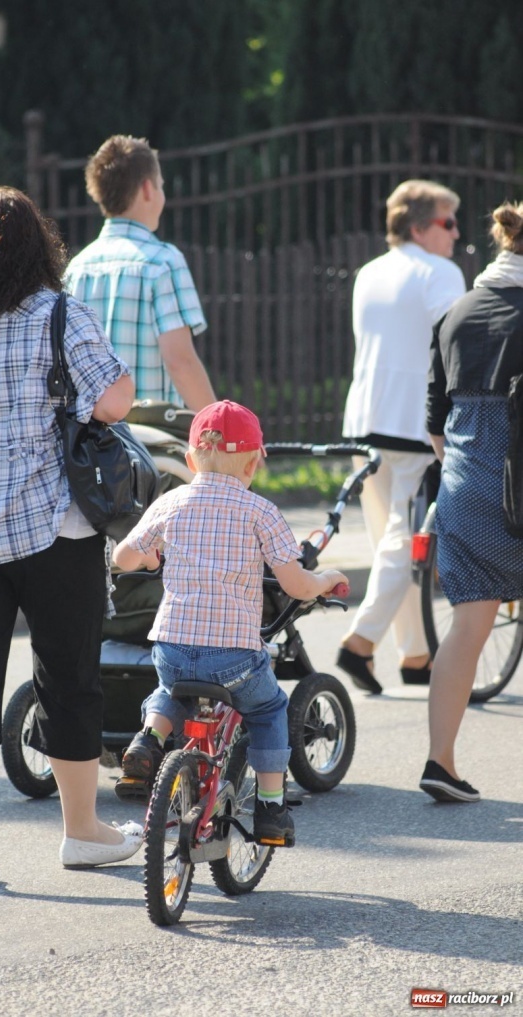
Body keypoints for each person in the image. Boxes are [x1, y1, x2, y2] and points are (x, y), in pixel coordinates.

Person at [0, 187, 143, 886]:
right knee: (66, 674)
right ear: (38, 244)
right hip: (48, 524)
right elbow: (113, 400)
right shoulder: (57, 313)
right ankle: (82, 831)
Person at [112, 400, 348, 844]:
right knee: (269, 708)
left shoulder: (171, 502)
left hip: (172, 649)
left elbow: (123, 557)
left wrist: (148, 556)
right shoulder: (261, 512)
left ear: (188, 459)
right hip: (234, 659)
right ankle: (272, 808)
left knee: (169, 691)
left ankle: (146, 741)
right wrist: (326, 580)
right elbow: (296, 584)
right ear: (254, 463)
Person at [337, 179, 466, 694]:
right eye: (448, 222)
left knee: (389, 544)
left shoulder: (369, 272)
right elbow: (458, 349)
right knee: (401, 546)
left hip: (364, 419)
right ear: (420, 226)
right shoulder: (440, 273)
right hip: (414, 423)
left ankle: (415, 655)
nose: (456, 234)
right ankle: (359, 642)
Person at [420, 200, 523, 803]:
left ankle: (441, 761)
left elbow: (435, 424)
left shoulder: (456, 313)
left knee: (467, 627)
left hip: (464, 483)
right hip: (519, 477)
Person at [62, 134, 216, 412]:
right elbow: (180, 362)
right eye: (161, 186)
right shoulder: (162, 263)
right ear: (147, 189)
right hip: (151, 440)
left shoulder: (76, 269)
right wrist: (221, 428)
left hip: (92, 445)